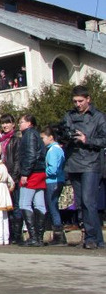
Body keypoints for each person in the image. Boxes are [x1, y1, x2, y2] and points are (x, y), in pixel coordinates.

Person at [61, 85, 106, 249]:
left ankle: (92, 237)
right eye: (75, 101)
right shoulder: (69, 115)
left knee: (89, 202)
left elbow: (104, 139)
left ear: (88, 99)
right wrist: (65, 136)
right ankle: (95, 238)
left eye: (81, 101)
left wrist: (87, 140)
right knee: (81, 203)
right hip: (73, 163)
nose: (78, 104)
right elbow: (63, 134)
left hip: (91, 163)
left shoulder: (99, 117)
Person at [17, 114, 47, 247]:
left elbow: (30, 154)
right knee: (40, 204)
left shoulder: (28, 135)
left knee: (24, 203)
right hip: (40, 171)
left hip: (32, 173)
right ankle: (39, 237)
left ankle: (34, 236)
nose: (20, 124)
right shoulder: (36, 134)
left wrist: (25, 173)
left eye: (21, 122)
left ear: (29, 123)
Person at [0, 114, 22, 244]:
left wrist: (14, 177)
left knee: (16, 205)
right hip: (3, 176)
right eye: (3, 123)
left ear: (13, 124)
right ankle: (10, 233)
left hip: (13, 176)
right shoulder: (1, 140)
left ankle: (17, 235)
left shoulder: (15, 139)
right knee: (7, 205)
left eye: (7, 123)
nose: (5, 126)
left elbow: (17, 160)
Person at [41, 125, 67, 246]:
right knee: (53, 206)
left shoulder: (53, 150)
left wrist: (42, 172)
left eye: (43, 138)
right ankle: (58, 235)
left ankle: (59, 236)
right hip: (58, 180)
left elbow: (53, 169)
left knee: (53, 207)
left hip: (53, 181)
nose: (42, 141)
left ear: (50, 137)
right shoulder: (57, 149)